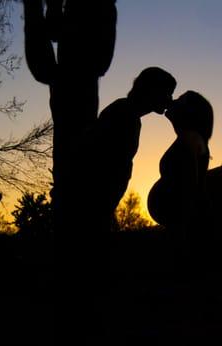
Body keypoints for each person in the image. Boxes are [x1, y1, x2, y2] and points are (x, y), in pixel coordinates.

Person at [72, 66, 177, 236]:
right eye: (167, 92)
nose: (169, 99)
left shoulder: (125, 112)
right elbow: (105, 166)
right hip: (90, 207)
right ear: (153, 90)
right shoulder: (125, 115)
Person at [147, 90, 214, 254]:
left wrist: (180, 232)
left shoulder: (190, 138)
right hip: (177, 226)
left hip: (180, 230)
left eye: (180, 99)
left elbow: (190, 186)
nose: (173, 101)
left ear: (190, 112)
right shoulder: (189, 137)